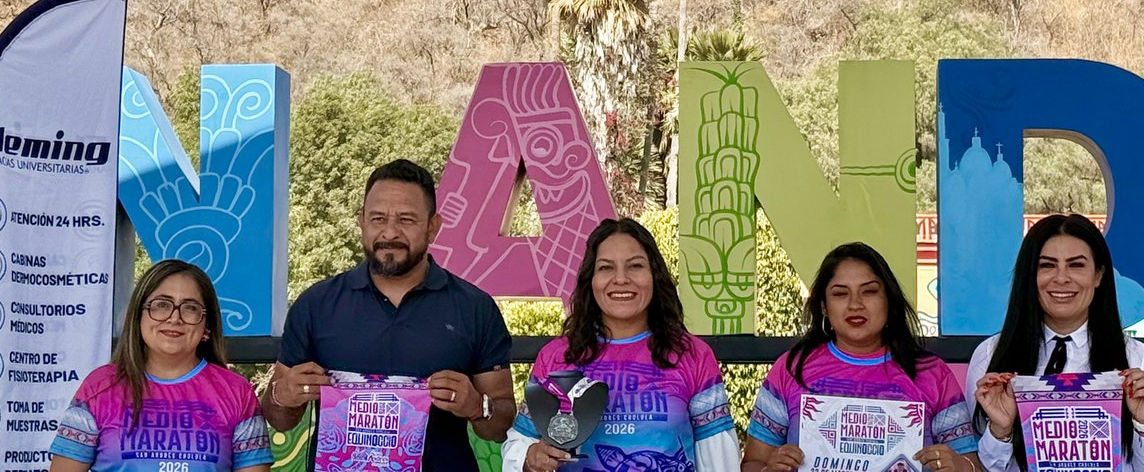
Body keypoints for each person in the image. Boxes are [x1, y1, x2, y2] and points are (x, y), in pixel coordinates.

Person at [263, 158, 515, 471]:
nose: (390, 232)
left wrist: (477, 406)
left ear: (433, 227)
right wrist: (282, 395)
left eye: (406, 220)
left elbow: (502, 421)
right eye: (378, 218)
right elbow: (279, 418)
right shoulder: (316, 304)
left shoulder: (475, 308)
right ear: (361, 222)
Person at [503, 217, 739, 472]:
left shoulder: (692, 355)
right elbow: (519, 445)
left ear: (654, 276)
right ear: (590, 280)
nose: (621, 279)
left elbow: (719, 460)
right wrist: (530, 458)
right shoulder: (557, 357)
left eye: (635, 266)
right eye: (606, 268)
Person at [744, 242, 977, 472]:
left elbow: (971, 465)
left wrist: (961, 467)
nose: (855, 304)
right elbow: (753, 463)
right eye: (840, 294)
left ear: (889, 300)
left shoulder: (931, 373)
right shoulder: (792, 368)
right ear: (824, 306)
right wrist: (770, 469)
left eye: (869, 291)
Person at [49, 258, 272, 471]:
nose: (174, 318)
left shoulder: (237, 392)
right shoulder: (100, 386)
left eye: (190, 308)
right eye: (161, 305)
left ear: (207, 326)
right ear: (138, 316)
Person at [967, 213, 1144, 472]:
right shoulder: (990, 357)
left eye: (1076, 265)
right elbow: (984, 468)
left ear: (1098, 275)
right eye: (1047, 265)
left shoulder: (1137, 360)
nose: (1061, 278)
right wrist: (1000, 431)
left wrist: (1141, 424)